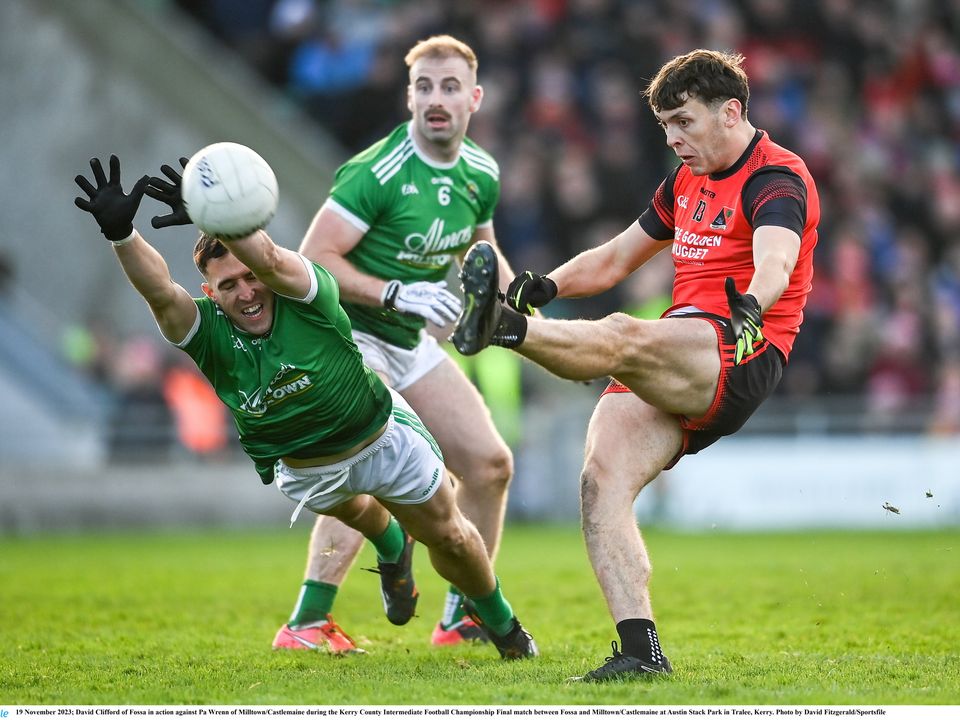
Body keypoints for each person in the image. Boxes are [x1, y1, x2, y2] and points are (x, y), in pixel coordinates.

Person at [72, 153, 538, 661]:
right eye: (228, 286)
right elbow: (160, 292)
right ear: (210, 292)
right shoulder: (206, 331)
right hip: (304, 471)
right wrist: (122, 234)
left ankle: (501, 623)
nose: (247, 291)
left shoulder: (305, 292)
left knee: (448, 536)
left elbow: (269, 260)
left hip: (383, 441)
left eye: (249, 277)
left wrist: (218, 215)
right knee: (360, 511)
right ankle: (390, 548)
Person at [451, 49, 819, 681]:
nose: (674, 138)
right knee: (601, 480)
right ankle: (639, 651)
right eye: (666, 126)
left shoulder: (776, 179)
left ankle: (503, 330)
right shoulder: (685, 182)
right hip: (685, 348)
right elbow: (618, 255)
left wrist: (751, 307)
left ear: (730, 113)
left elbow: (776, 263)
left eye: (684, 121)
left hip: (740, 345)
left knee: (622, 334)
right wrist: (545, 285)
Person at [279, 34, 522, 652]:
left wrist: (523, 307)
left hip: (408, 338)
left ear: (474, 98)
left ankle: (463, 613)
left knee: (490, 466)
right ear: (408, 97)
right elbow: (314, 260)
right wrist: (394, 292)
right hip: (347, 333)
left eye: (448, 87)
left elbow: (484, 252)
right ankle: (306, 624)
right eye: (423, 87)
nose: (435, 99)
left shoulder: (481, 172)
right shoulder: (377, 171)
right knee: (369, 461)